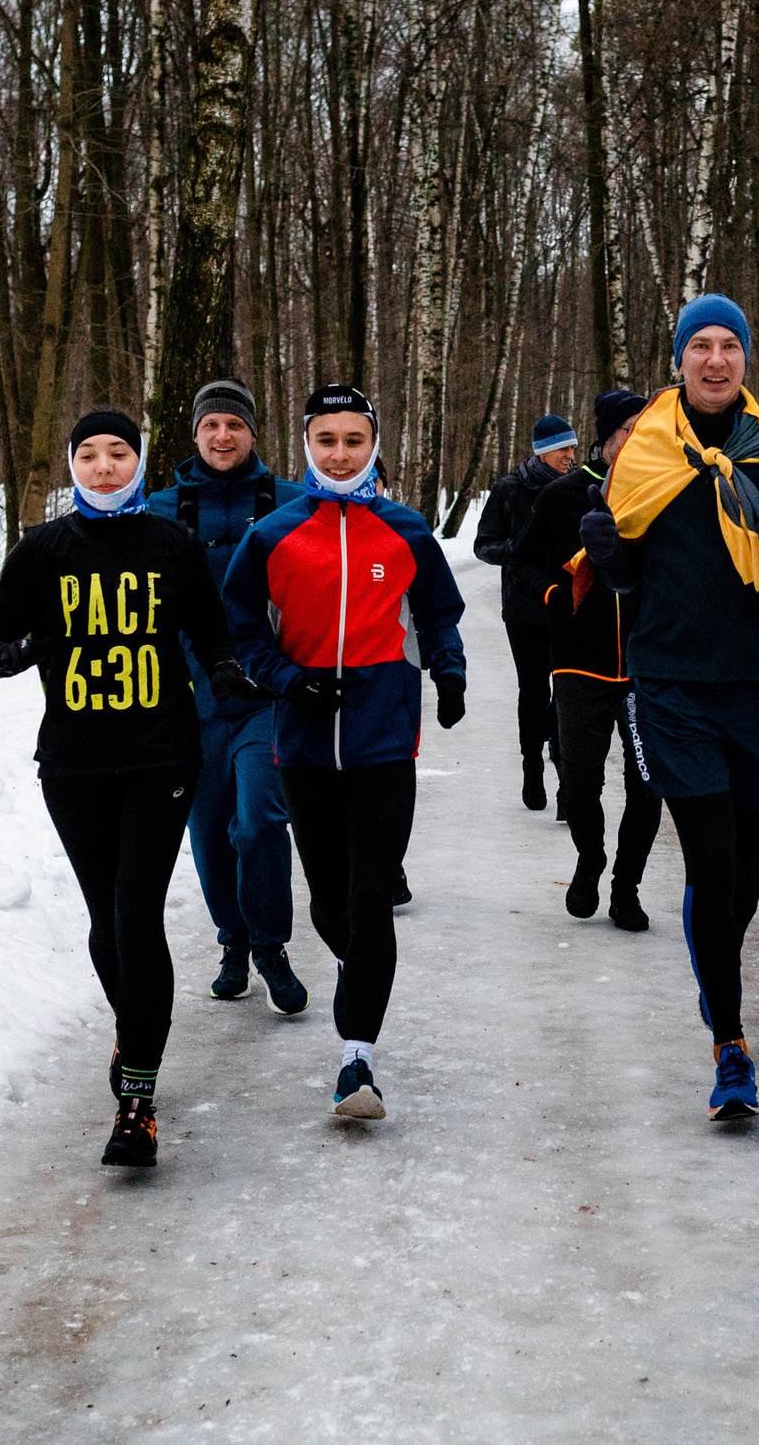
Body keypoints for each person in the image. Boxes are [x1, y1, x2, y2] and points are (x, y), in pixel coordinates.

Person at [574, 295, 759, 1120]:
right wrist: (613, 556)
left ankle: (717, 965)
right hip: (672, 687)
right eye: (698, 345)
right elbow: (629, 573)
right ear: (678, 361)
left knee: (742, 863)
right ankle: (730, 1046)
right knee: (711, 860)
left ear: (746, 361)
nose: (714, 359)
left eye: (728, 345)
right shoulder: (646, 455)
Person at [0, 409, 269, 1170]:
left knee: (137, 914)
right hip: (73, 763)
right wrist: (25, 649)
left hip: (160, 758)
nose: (105, 466)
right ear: (73, 464)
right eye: (90, 454)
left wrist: (229, 672)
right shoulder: (42, 548)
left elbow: (211, 632)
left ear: (139, 462)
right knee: (107, 921)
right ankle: (133, 1025)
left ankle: (136, 1100)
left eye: (119, 452)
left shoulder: (170, 543)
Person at [223, 385, 467, 1121]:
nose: (339, 453)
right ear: (306, 446)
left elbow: (438, 612)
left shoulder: (406, 529)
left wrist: (450, 672)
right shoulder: (271, 533)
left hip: (383, 737)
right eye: (325, 439)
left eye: (353, 439)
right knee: (329, 901)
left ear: (373, 444)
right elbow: (241, 628)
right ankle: (355, 967)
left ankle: (356, 1058)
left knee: (370, 895)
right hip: (301, 739)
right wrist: (286, 679)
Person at [142, 379, 307, 1017]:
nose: (222, 436)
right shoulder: (159, 508)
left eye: (234, 425)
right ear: (194, 433)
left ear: (252, 432)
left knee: (260, 819)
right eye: (211, 425)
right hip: (188, 700)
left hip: (267, 693)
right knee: (209, 832)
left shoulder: (290, 502)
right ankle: (233, 941)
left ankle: (270, 946)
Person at [522, 388, 660, 929]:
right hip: (580, 662)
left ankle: (626, 887)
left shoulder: (663, 492)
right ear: (603, 440)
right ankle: (590, 859)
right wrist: (557, 598)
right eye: (625, 431)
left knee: (648, 783)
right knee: (579, 781)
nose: (634, 440)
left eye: (642, 430)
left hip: (648, 667)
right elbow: (524, 565)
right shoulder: (561, 497)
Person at [473, 414, 581, 811]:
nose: (571, 455)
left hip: (568, 605)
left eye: (572, 447)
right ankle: (531, 767)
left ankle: (568, 778)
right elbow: (483, 544)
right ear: (543, 452)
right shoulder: (510, 489)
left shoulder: (578, 488)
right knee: (533, 692)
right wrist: (518, 554)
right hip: (523, 610)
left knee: (568, 695)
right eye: (563, 449)